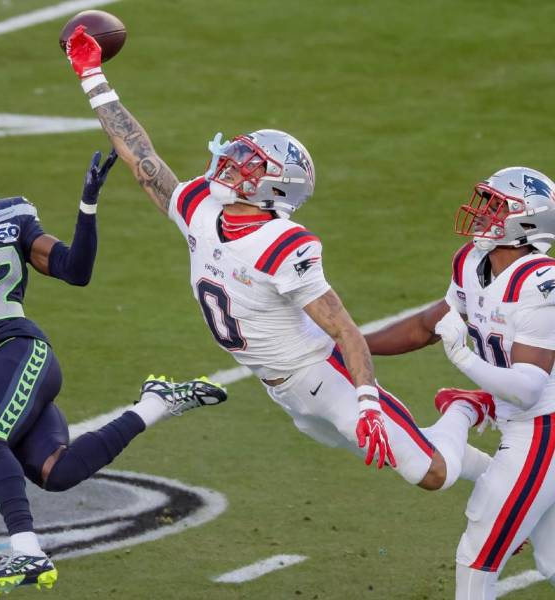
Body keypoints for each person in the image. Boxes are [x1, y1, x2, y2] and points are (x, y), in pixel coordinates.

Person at [64, 29, 492, 495]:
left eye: (250, 163)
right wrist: (92, 76)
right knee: (418, 452)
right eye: (240, 153)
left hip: (324, 377)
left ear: (275, 188)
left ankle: (462, 409)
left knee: (429, 474)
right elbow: (140, 155)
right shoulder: (199, 206)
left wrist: (367, 401)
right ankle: (508, 482)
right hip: (283, 390)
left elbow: (344, 330)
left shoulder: (282, 244)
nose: (232, 163)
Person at [0, 130, 227, 595]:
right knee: (56, 471)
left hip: (18, 347)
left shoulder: (11, 213)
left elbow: (74, 271)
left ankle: (26, 552)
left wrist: (87, 208)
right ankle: (156, 404)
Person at [364, 167, 555, 599]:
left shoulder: (541, 283)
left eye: (495, 206)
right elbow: (427, 325)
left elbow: (527, 388)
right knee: (552, 558)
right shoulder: (473, 261)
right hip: (523, 421)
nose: (482, 212)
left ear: (526, 222)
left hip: (545, 428)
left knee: (477, 556)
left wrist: (463, 358)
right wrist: (352, 343)